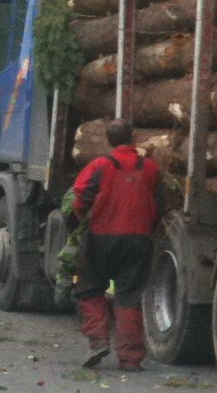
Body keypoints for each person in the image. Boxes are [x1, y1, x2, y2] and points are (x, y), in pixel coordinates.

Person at [71, 120, 166, 370]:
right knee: (129, 296)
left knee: (90, 288)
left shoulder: (100, 165)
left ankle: (98, 341)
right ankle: (130, 359)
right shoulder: (151, 168)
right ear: (132, 139)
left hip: (101, 237)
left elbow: (80, 197)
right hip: (138, 239)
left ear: (109, 140)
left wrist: (82, 220)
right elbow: (162, 204)